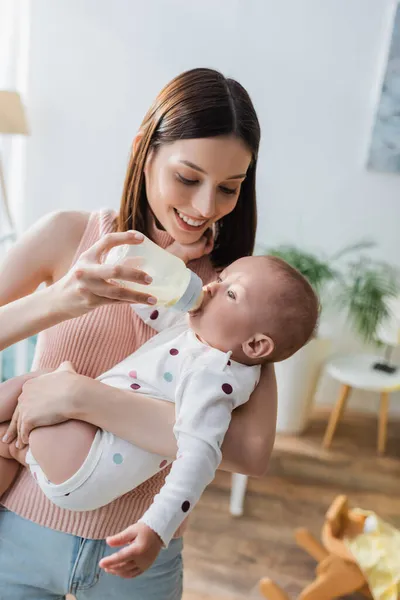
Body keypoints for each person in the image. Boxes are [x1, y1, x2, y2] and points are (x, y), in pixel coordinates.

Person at [0, 68, 278, 600]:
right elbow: (216, 439)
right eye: (188, 178)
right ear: (144, 151)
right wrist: (62, 300)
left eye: (228, 189)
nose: (204, 207)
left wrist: (80, 396)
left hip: (142, 560)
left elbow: (251, 450)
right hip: (19, 537)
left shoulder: (238, 292)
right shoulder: (70, 236)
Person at [0, 255, 318, 576]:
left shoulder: (213, 377)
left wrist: (156, 528)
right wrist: (133, 265)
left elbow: (197, 459)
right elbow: (149, 304)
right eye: (221, 277)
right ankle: (16, 448)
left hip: (85, 457)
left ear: (256, 345)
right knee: (7, 436)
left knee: (38, 381)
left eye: (231, 293)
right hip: (73, 463)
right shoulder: (197, 332)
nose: (211, 287)